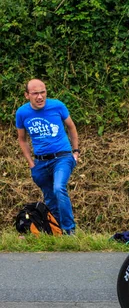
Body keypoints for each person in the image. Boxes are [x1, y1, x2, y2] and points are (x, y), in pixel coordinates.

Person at [16, 79, 80, 235]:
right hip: (40, 162)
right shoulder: (22, 113)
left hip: (62, 157)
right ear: (27, 95)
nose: (40, 97)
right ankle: (56, 230)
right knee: (50, 197)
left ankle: (69, 231)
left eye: (42, 92)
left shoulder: (57, 106)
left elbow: (71, 127)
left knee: (59, 188)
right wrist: (31, 163)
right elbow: (22, 139)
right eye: (35, 93)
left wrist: (76, 152)